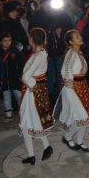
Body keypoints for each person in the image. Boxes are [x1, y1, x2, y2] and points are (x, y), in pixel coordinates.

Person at [54, 30, 89, 151]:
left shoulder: (79, 54)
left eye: (79, 35)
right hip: (72, 90)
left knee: (84, 115)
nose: (80, 37)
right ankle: (68, 137)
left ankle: (79, 141)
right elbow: (65, 71)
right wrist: (70, 86)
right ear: (70, 42)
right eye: (77, 37)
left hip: (81, 87)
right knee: (82, 116)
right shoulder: (71, 53)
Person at [19, 28, 54, 165]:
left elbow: (26, 76)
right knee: (31, 121)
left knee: (29, 121)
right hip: (35, 90)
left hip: (32, 93)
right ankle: (37, 152)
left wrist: (31, 85)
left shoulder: (39, 55)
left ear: (32, 39)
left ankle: (38, 151)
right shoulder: (39, 54)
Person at [0, 32, 25, 120]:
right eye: (5, 41)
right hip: (4, 79)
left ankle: (24, 114)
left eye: (9, 40)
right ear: (0, 42)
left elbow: (22, 64)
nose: (7, 42)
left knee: (19, 97)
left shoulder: (16, 51)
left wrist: (20, 74)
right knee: (6, 97)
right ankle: (8, 115)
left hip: (15, 79)